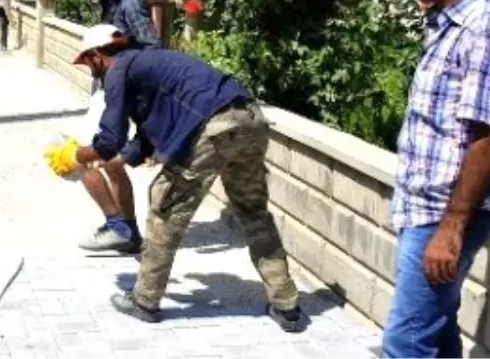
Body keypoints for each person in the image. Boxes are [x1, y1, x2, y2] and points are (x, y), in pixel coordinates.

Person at [49, 24, 308, 332]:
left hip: (213, 128)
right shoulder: (151, 62)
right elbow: (145, 134)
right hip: (251, 119)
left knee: (164, 207)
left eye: (87, 61)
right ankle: (286, 304)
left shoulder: (117, 70)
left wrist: (75, 156)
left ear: (97, 56)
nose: (90, 69)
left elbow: (109, 139)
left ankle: (144, 299)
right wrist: (119, 160)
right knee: (253, 213)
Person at [383, 0, 490, 357]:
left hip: (443, 212)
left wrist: (450, 228)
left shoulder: (481, 31)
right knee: (439, 333)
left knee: (405, 343)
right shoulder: (447, 26)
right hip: (424, 207)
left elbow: (488, 138)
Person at [69, 0, 161, 254]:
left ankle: (120, 227)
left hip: (122, 88)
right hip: (111, 86)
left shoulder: (131, 0)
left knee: (93, 157)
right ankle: (126, 230)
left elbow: (151, 48)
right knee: (109, 160)